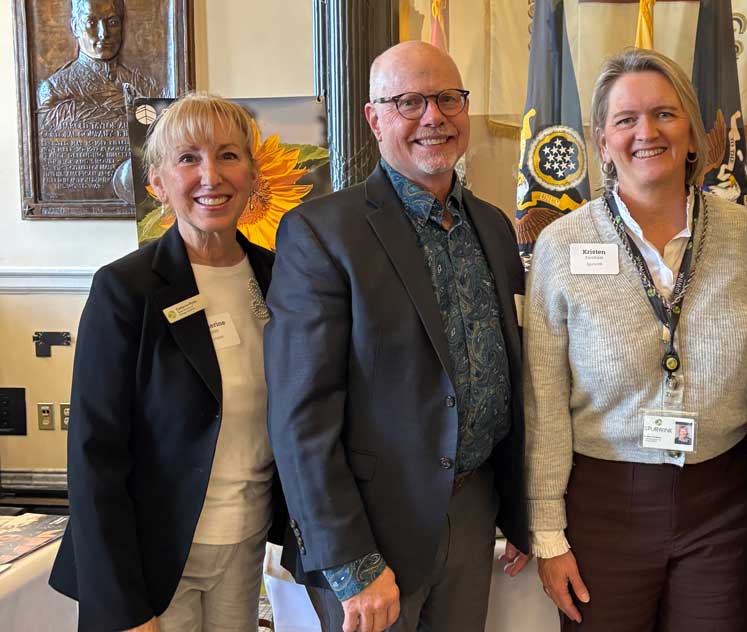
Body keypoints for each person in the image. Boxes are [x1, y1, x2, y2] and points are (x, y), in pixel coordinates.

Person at [265, 41, 529, 632]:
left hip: (472, 508)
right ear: (374, 118)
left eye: (447, 99)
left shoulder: (492, 226)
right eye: (408, 102)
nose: (432, 117)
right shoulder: (321, 232)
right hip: (371, 532)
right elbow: (299, 416)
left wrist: (518, 511)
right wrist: (351, 563)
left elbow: (508, 375)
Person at [525, 48, 747, 632]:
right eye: (625, 120)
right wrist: (548, 532)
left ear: (692, 134)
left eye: (664, 114)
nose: (646, 132)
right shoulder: (561, 246)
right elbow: (544, 402)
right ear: (602, 142)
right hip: (604, 503)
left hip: (722, 500)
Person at [49, 93, 285, 632]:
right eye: (188, 158)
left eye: (228, 155)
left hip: (246, 540)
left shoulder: (281, 277)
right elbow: (94, 454)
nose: (211, 175)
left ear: (252, 173)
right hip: (151, 557)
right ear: (157, 183)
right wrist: (123, 607)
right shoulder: (125, 289)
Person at [37, 0, 157, 126]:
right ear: (75, 26)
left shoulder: (143, 87)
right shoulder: (55, 89)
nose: (104, 33)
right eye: (91, 22)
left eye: (112, 22)